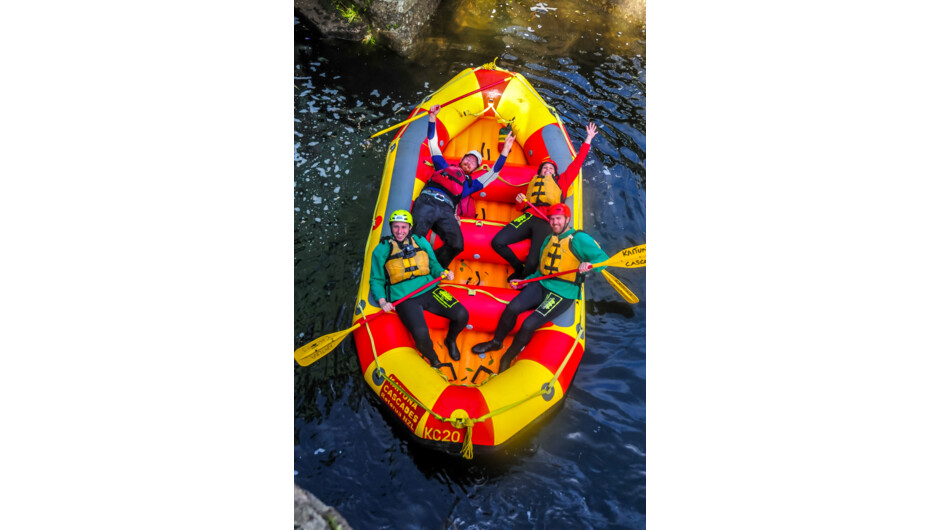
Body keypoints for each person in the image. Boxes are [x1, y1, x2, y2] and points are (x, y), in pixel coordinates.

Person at [471, 203, 609, 372]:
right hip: (542, 283)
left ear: (567, 219)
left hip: (563, 291)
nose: (554, 223)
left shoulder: (579, 239)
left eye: (558, 219)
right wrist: (525, 281)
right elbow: (542, 271)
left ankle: (508, 357)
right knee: (512, 307)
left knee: (529, 324)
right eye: (551, 219)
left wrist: (590, 264)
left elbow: (603, 260)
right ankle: (495, 343)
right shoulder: (549, 239)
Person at [411, 103, 515, 268]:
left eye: (474, 162)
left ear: (475, 169)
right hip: (428, 201)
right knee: (415, 238)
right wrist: (432, 118)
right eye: (468, 158)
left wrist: (504, 152)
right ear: (461, 160)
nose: (469, 161)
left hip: (445, 210)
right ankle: (408, 269)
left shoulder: (471, 185)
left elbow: (494, 173)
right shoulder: (443, 167)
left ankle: (431, 266)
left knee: (457, 245)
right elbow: (432, 143)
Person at [491, 122, 598, 282]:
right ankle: (517, 267)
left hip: (547, 221)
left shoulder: (562, 181)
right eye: (544, 168)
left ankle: (523, 281)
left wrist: (588, 139)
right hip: (529, 217)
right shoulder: (531, 185)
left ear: (555, 172)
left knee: (533, 262)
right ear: (540, 172)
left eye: (551, 168)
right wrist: (519, 201)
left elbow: (577, 164)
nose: (547, 170)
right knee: (497, 242)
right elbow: (520, 208)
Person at [370, 210, 469, 366]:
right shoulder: (382, 249)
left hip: (429, 289)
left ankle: (450, 340)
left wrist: (442, 272)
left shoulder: (421, 241)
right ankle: (434, 359)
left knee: (462, 315)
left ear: (410, 227)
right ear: (391, 227)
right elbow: (376, 279)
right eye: (396, 227)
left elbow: (433, 265)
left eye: (403, 227)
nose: (399, 232)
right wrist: (382, 301)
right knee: (421, 335)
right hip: (405, 298)